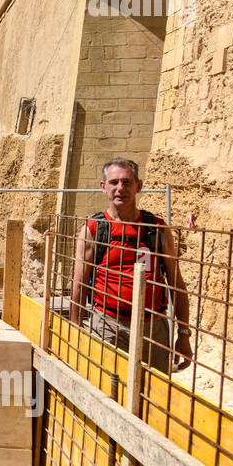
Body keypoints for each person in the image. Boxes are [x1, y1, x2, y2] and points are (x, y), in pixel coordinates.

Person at [70, 157, 192, 373]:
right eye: (114, 182)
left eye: (127, 182)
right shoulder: (94, 229)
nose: (120, 188)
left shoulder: (156, 228)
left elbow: (176, 284)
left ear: (139, 186)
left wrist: (183, 334)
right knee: (108, 391)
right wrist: (74, 331)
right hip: (109, 326)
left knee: (155, 396)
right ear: (103, 187)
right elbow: (79, 284)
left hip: (154, 328)